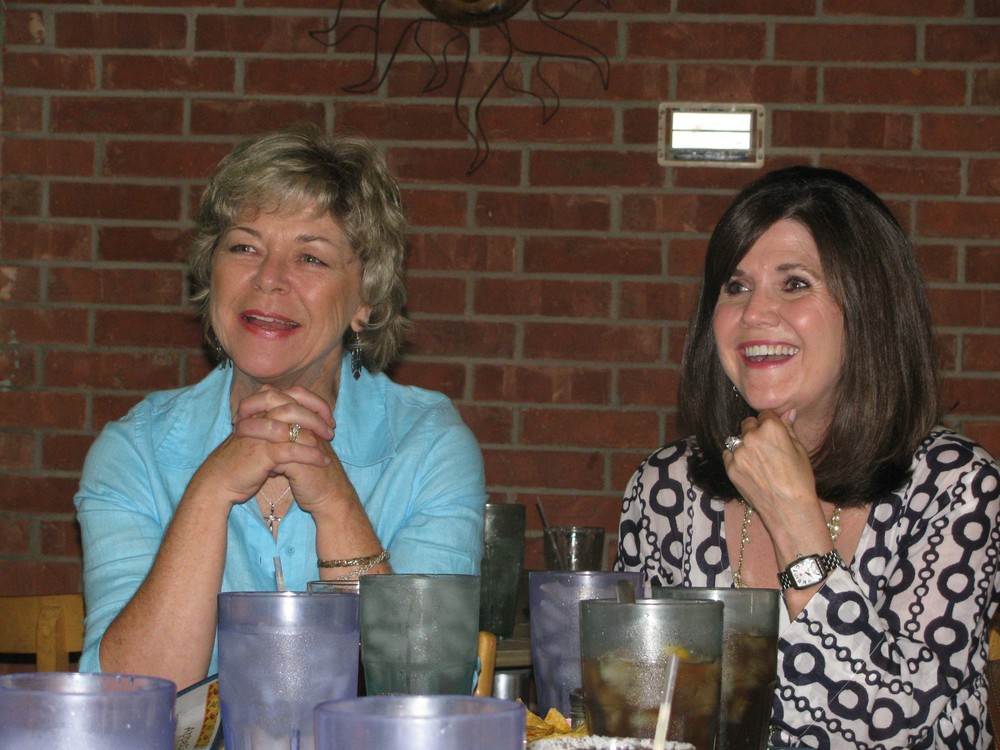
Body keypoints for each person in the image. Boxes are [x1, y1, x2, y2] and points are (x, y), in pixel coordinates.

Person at [74, 125, 488, 691]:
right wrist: (209, 492)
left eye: (311, 258)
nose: (268, 279)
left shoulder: (428, 446)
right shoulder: (135, 452)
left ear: (366, 300)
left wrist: (337, 505)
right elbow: (126, 701)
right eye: (244, 247)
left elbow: (426, 696)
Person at [615, 165, 1000, 748]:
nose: (753, 313)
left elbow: (892, 730)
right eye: (735, 286)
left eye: (794, 284)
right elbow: (636, 708)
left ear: (869, 308)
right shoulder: (667, 486)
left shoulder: (955, 486)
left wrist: (794, 518)